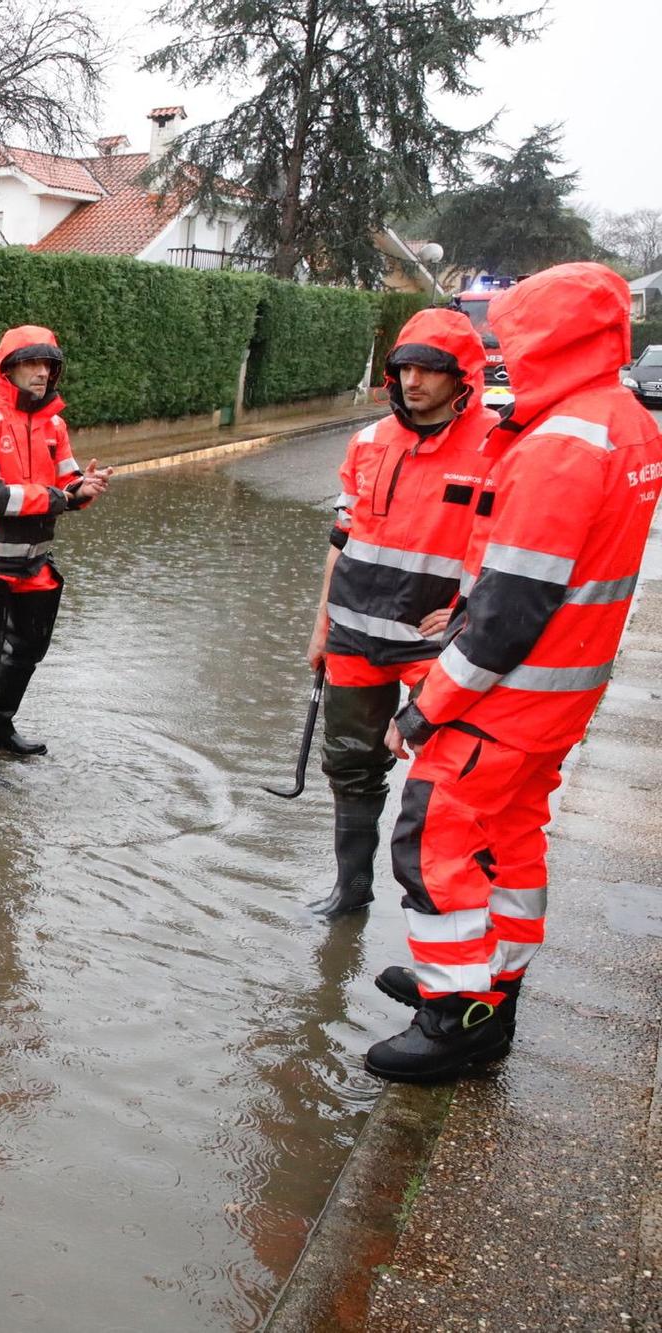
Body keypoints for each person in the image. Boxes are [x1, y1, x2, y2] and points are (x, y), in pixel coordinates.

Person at [366, 263, 661, 1082]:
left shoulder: (562, 445)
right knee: (513, 838)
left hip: (507, 696)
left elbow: (507, 613)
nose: (503, 354)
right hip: (562, 690)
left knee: (436, 839)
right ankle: (491, 986)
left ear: (550, 338)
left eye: (513, 338)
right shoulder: (623, 420)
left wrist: (427, 705)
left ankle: (455, 1016)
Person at [302, 309, 500, 919]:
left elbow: (513, 555)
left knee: (447, 777)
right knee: (351, 764)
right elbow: (342, 541)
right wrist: (321, 626)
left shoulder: (500, 445)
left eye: (429, 370)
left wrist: (468, 613)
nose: (414, 381)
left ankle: (443, 911)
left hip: (435, 646)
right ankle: (351, 889)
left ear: (461, 375)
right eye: (404, 367)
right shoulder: (367, 442)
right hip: (355, 634)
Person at [0, 325, 110, 781]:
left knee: (27, 651)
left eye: (49, 365)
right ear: (8, 369)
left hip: (33, 562)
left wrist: (84, 489)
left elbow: (68, 486)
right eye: (33, 363)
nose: (43, 373)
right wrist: (57, 497)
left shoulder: (55, 424)